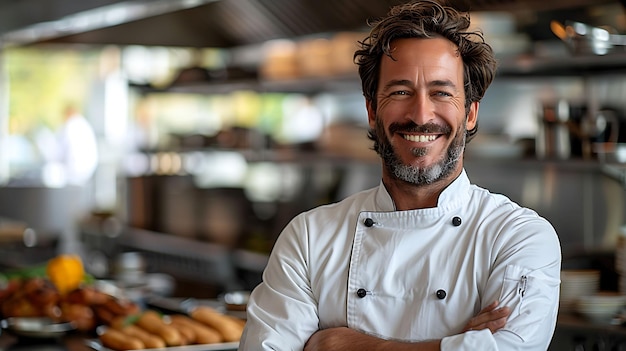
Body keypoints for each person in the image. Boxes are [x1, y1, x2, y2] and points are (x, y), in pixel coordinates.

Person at [239, 0, 561, 350]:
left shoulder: (518, 237)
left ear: (469, 113)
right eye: (401, 91)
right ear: (372, 111)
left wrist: (337, 344)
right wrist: (455, 344)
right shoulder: (309, 238)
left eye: (441, 92)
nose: (421, 114)